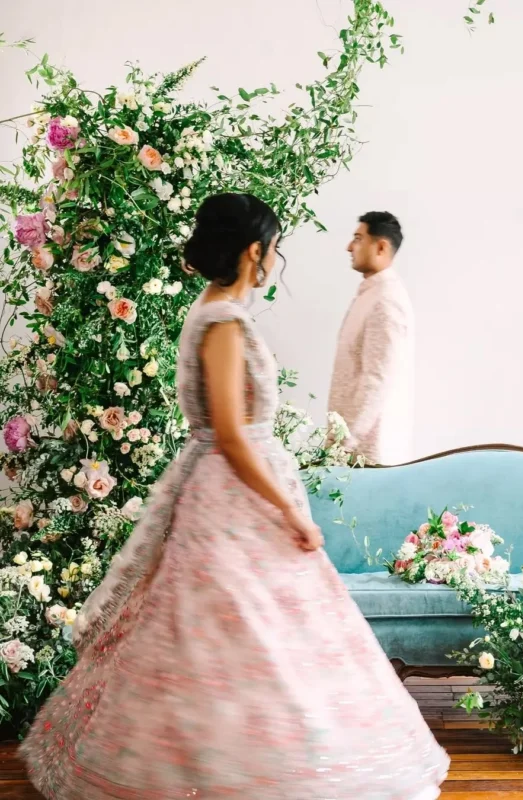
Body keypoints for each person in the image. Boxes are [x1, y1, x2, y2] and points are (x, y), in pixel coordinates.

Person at [20, 193, 448, 799]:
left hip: (228, 496)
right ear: (254, 251)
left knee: (252, 635)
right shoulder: (221, 320)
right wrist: (284, 508)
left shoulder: (218, 311)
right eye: (275, 247)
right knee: (245, 636)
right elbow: (229, 435)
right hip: (229, 503)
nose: (276, 258)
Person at [329, 211, 415, 465]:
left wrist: (341, 447)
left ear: (380, 247)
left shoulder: (386, 300)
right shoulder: (372, 295)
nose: (349, 247)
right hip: (354, 456)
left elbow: (377, 380)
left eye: (357, 238)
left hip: (368, 457)